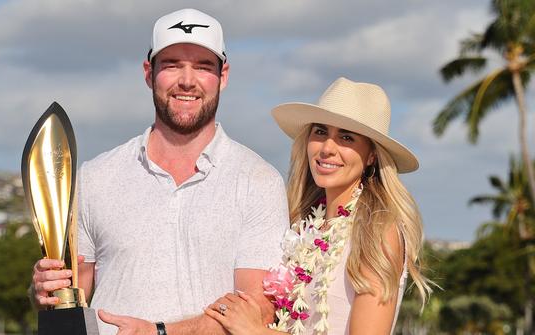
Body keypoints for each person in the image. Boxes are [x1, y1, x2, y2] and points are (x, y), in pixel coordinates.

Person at [29, 8, 289, 335]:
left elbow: (257, 309)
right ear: (149, 73)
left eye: (202, 66)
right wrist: (44, 291)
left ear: (223, 75)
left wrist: (160, 331)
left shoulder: (258, 180)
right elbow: (71, 294)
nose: (187, 80)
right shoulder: (96, 176)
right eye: (172, 65)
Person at [205, 77, 432, 334]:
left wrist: (254, 331)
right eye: (321, 132)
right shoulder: (302, 226)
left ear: (371, 156)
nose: (327, 148)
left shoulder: (377, 230)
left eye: (347, 138)